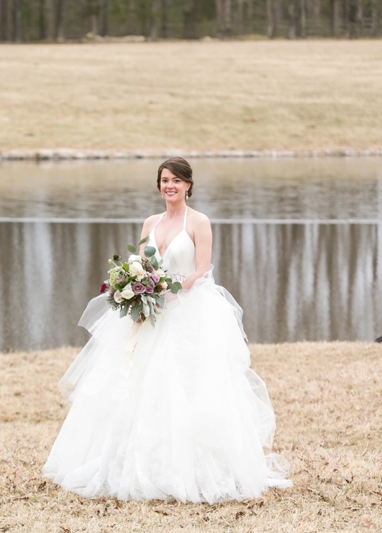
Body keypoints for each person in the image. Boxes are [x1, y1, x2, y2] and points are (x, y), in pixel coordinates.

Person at [42, 157, 292, 503]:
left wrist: (167, 295)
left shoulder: (199, 222)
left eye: (176, 180)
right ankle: (128, 463)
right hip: (149, 313)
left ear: (189, 185)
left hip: (187, 312)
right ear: (159, 185)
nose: (170, 186)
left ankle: (190, 469)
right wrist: (135, 286)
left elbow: (201, 271)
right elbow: (140, 264)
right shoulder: (150, 222)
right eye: (164, 180)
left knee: (183, 386)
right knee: (135, 385)